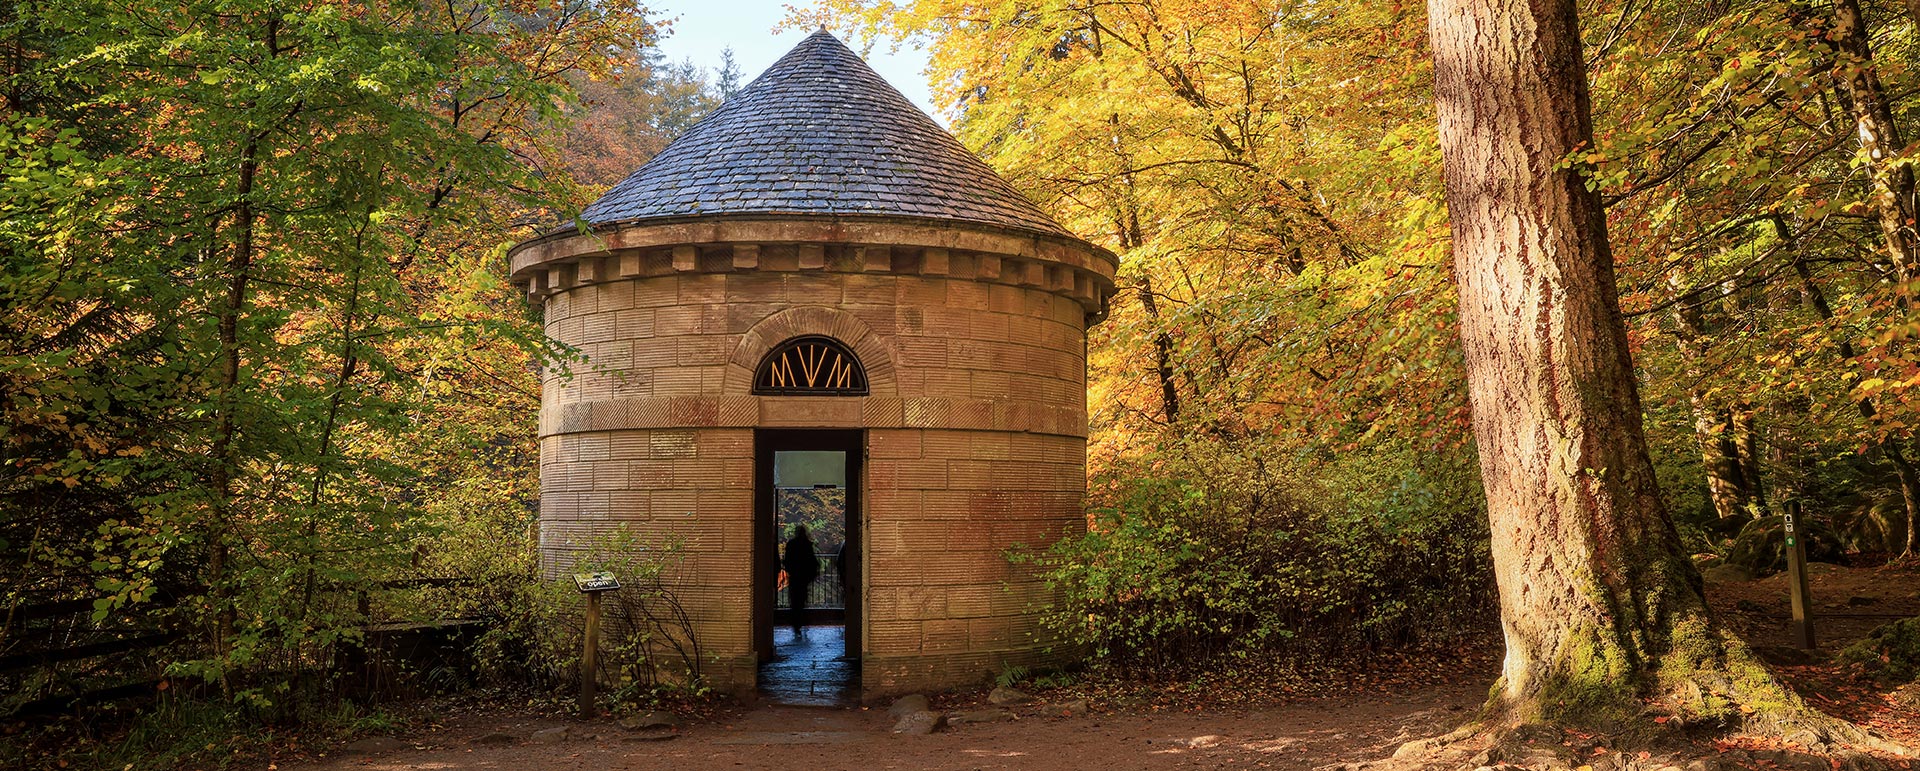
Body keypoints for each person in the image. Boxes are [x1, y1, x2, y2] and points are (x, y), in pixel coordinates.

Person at [781, 525, 819, 637]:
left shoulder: (791, 544)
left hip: (795, 577)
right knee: (802, 600)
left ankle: (796, 624)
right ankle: (800, 622)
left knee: (794, 601)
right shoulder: (807, 544)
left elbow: (787, 561)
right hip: (804, 578)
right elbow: (812, 561)